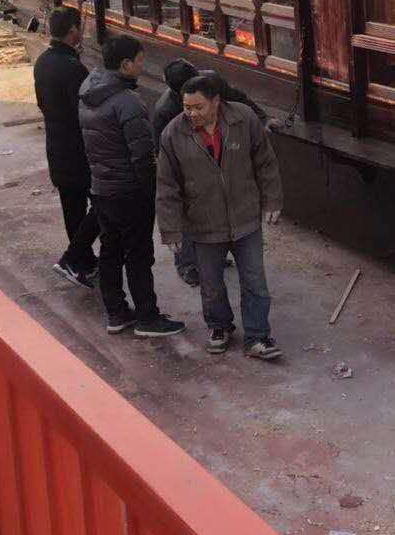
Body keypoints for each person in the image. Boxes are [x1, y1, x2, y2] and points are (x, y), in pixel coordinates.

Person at [156, 73, 283, 358]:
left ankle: (258, 337)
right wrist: (171, 229)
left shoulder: (244, 119)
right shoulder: (173, 133)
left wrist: (272, 200)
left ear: (216, 102)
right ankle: (219, 327)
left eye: (198, 107)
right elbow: (166, 186)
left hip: (245, 219)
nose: (191, 113)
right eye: (187, 107)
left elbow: (265, 162)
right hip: (203, 223)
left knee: (255, 282)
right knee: (211, 285)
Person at [79, 35, 184, 338]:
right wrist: (153, 192)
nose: (142, 66)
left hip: (101, 187)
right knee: (138, 254)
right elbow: (142, 156)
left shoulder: (88, 91)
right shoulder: (127, 102)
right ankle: (148, 317)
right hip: (129, 191)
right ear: (125, 65)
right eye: (140, 61)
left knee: (110, 251)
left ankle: (116, 312)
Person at [150, 59, 268, 287]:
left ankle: (218, 252)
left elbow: (238, 98)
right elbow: (162, 152)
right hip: (187, 168)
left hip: (218, 155)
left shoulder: (212, 83)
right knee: (187, 215)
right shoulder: (165, 112)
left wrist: (262, 119)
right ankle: (187, 265)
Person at [33, 6, 98, 289]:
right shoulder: (73, 68)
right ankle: (72, 258)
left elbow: (42, 104)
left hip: (57, 145)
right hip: (78, 150)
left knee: (73, 208)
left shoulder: (43, 61)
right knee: (104, 204)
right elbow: (85, 111)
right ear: (73, 31)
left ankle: (84, 260)